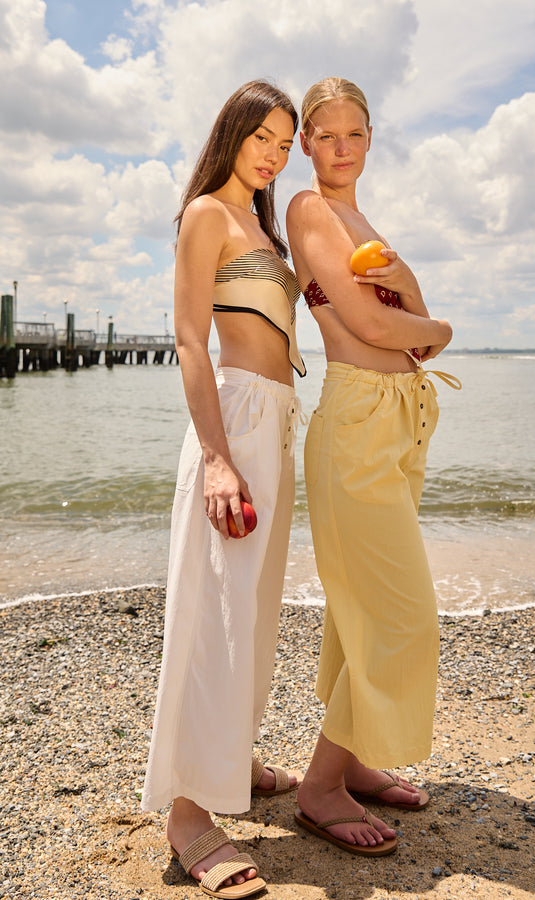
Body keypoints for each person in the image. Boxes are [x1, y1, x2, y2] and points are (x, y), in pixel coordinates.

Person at [286, 77, 461, 857]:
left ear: (370, 138)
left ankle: (353, 759)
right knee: (402, 613)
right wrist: (443, 325)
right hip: (356, 420)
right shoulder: (308, 210)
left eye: (354, 134)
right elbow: (371, 322)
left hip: (401, 422)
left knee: (357, 606)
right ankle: (319, 786)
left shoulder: (362, 219)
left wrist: (422, 321)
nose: (341, 148)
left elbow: (410, 334)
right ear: (304, 144)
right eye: (325, 135)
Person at [141, 80, 306, 898]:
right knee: (210, 605)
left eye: (286, 142)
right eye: (264, 137)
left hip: (275, 421)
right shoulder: (208, 211)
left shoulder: (264, 227)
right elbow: (188, 338)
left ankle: (228, 755)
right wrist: (214, 455)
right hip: (233, 419)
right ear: (233, 133)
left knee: (253, 603)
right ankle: (185, 811)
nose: (275, 153)